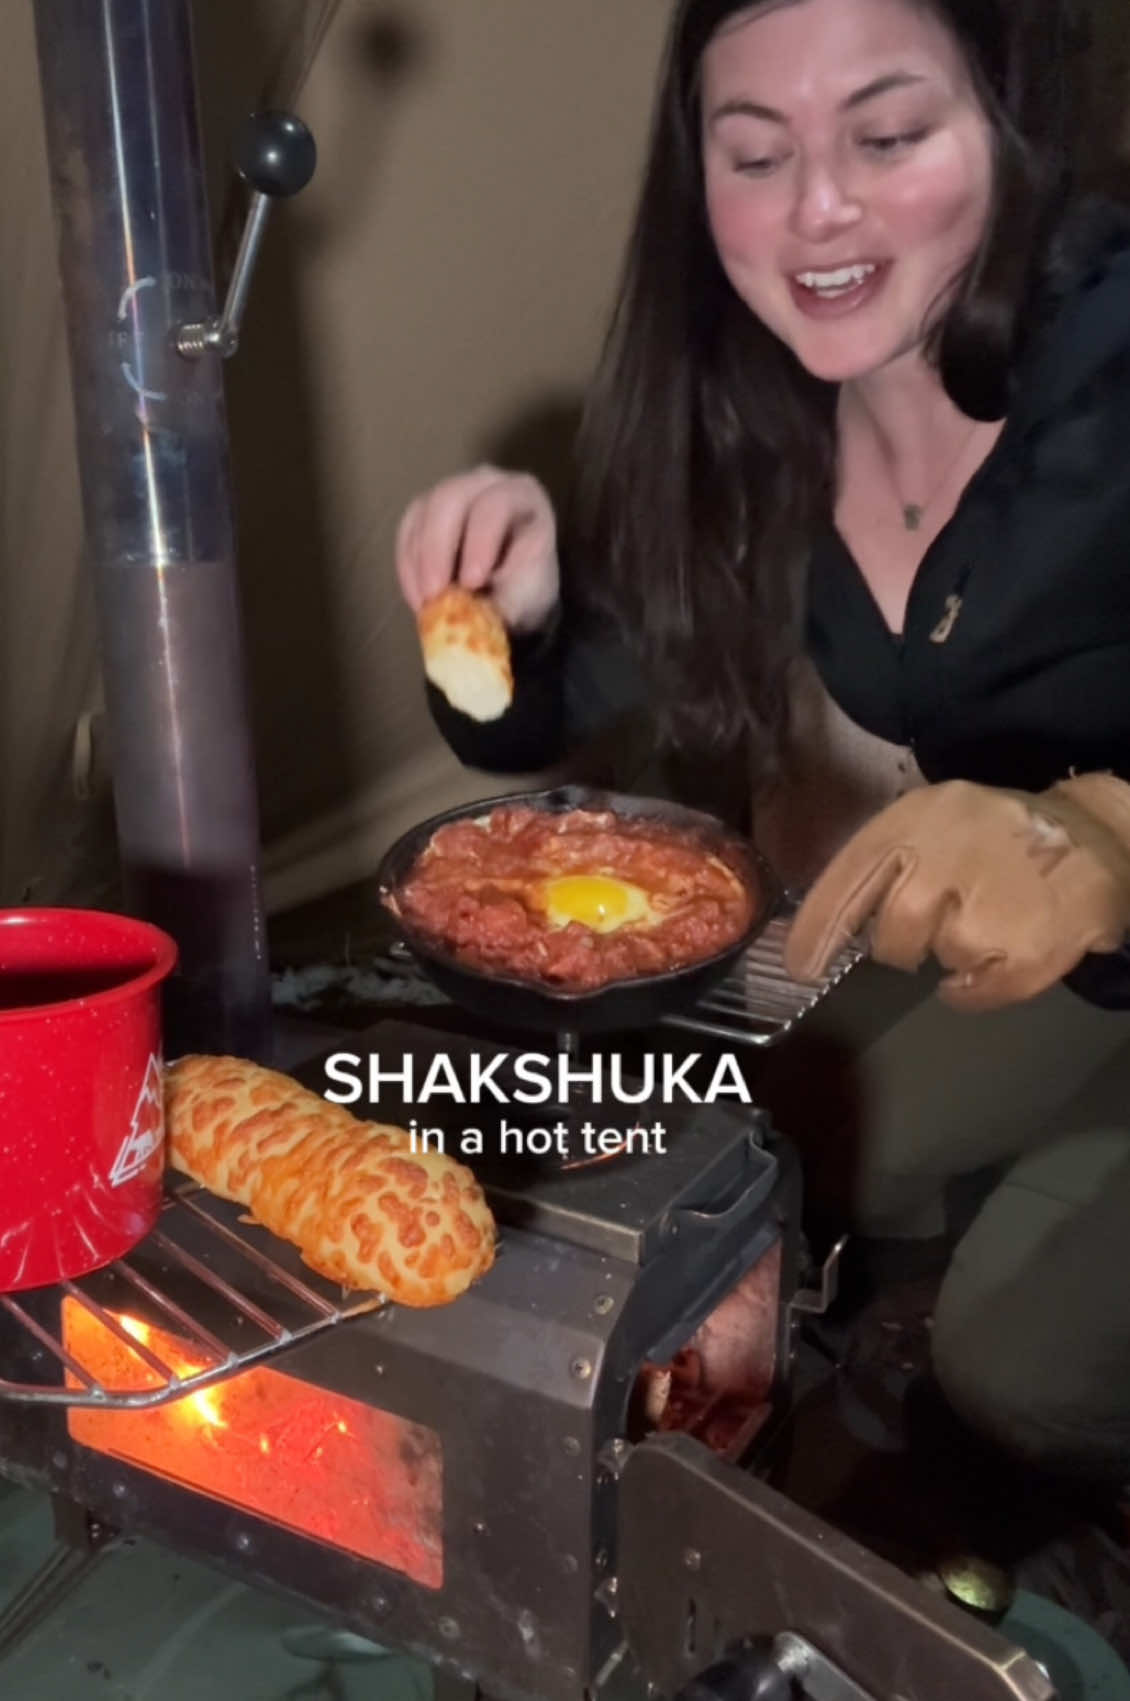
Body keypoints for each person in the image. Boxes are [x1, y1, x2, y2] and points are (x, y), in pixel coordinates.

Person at [394, 0, 1130, 1481]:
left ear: (1002, 125)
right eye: (752, 152)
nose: (813, 209)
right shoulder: (755, 416)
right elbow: (538, 713)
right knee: (798, 1140)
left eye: (887, 134)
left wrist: (1109, 827)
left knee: (1012, 1367)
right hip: (1091, 971)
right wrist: (516, 611)